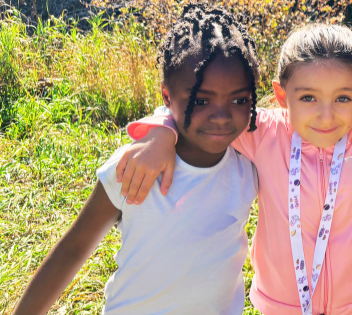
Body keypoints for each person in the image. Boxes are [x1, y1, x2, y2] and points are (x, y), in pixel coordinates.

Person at [115, 23, 352, 314]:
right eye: (307, 98)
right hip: (281, 306)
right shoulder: (262, 131)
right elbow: (206, 115)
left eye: (343, 97)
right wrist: (161, 132)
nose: (326, 115)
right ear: (281, 96)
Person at [12, 5, 260, 314]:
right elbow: (73, 249)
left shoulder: (249, 157)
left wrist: (164, 129)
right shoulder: (134, 166)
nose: (222, 117)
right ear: (167, 97)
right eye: (201, 100)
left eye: (239, 100)